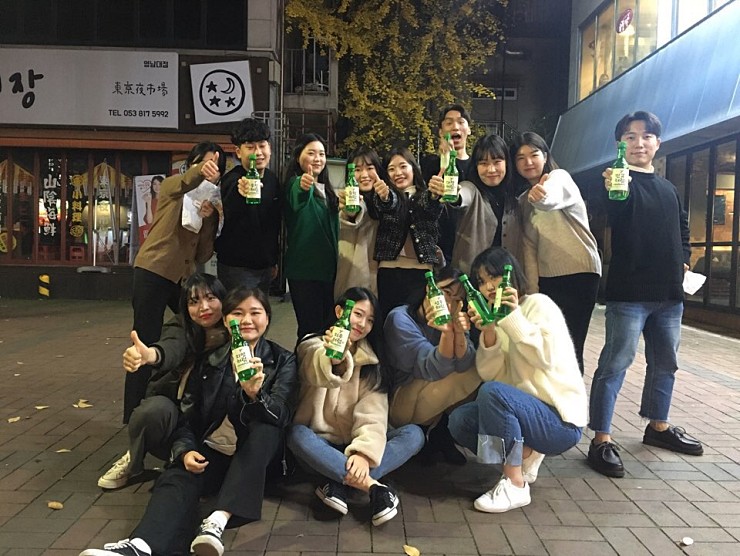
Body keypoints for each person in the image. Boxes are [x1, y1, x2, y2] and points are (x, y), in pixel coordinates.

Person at [81, 287, 299, 556]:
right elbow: (188, 417)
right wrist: (185, 451)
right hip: (217, 452)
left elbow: (281, 414)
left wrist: (255, 396)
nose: (246, 320)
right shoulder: (210, 361)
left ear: (267, 317)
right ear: (226, 320)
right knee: (178, 475)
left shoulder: (283, 359)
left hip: (257, 459)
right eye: (237, 313)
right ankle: (140, 546)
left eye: (255, 313)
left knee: (266, 429)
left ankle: (217, 521)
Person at [587, 111, 703, 479]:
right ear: (620, 144)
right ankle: (601, 439)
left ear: (657, 143)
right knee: (615, 364)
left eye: (646, 136)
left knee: (665, 363)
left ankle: (658, 426)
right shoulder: (617, 179)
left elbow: (682, 228)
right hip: (629, 294)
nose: (639, 143)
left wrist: (684, 259)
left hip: (669, 295)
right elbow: (616, 209)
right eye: (630, 137)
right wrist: (613, 185)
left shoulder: (668, 188)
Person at [448, 247, 587, 513]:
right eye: (481, 281)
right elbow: (493, 375)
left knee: (492, 394)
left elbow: (545, 358)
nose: (489, 286)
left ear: (510, 274)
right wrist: (489, 332)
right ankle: (525, 453)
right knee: (460, 420)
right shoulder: (495, 317)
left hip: (560, 419)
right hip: (527, 413)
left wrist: (511, 317)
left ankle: (515, 484)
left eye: (494, 277)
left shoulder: (539, 304)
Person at [289, 287, 424, 525]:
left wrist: (363, 454)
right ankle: (373, 487)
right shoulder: (311, 345)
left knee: (414, 434)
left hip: (356, 444)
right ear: (339, 311)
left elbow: (374, 414)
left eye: (370, 320)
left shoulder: (372, 361)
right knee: (296, 434)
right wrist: (334, 359)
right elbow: (315, 367)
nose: (362, 324)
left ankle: (336, 481)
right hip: (320, 446)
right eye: (358, 314)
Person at [98, 273, 228, 490]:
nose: (204, 307)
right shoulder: (181, 327)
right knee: (152, 410)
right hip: (176, 418)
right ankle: (134, 457)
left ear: (223, 299)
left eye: (210, 298)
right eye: (194, 302)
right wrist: (151, 355)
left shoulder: (235, 330)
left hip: (215, 423)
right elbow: (172, 347)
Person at [128, 142, 225, 424]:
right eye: (204, 163)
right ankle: (132, 413)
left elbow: (203, 254)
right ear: (191, 165)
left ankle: (176, 393)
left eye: (215, 167)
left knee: (194, 328)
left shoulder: (208, 203)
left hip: (180, 279)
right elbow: (185, 181)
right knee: (144, 339)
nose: (210, 170)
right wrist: (200, 171)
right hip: (152, 271)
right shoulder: (173, 188)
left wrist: (210, 219)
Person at [510, 132, 602, 374]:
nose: (528, 162)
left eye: (534, 155)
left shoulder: (560, 178)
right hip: (548, 280)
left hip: (580, 274)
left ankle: (574, 397)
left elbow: (551, 198)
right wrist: (532, 292)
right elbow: (529, 248)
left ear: (545, 156)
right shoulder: (522, 201)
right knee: (550, 345)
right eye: (520, 158)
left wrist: (541, 197)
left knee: (571, 345)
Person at [383, 265, 480, 461]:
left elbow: (465, 363)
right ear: (430, 287)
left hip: (431, 394)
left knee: (477, 369)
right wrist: (447, 333)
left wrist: (459, 332)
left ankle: (442, 434)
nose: (450, 302)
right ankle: (425, 434)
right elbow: (431, 369)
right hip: (398, 403)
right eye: (446, 292)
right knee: (468, 373)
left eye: (457, 299)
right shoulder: (400, 318)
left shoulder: (453, 316)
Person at [430, 133, 525, 275]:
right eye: (483, 163)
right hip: (470, 279)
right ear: (476, 166)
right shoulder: (471, 189)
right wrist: (453, 195)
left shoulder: (515, 196)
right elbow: (463, 196)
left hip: (507, 279)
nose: (491, 169)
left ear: (507, 163)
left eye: (497, 162)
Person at [374, 146, 443, 318]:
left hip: (422, 271)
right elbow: (389, 204)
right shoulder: (385, 195)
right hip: (389, 271)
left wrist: (434, 196)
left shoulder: (426, 195)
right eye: (391, 169)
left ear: (414, 168)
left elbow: (429, 205)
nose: (398, 173)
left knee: (419, 319)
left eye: (403, 166)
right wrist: (385, 197)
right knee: (388, 320)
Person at [283, 133, 339, 339]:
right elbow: (297, 195)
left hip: (329, 271)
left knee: (328, 330)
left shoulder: (327, 191)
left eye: (322, 154)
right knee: (310, 331)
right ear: (298, 156)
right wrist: (303, 184)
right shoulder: (295, 183)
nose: (318, 158)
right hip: (305, 272)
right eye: (311, 153)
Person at [215, 118, 281, 294]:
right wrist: (241, 193)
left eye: (262, 146)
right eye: (250, 147)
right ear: (238, 152)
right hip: (236, 268)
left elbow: (273, 225)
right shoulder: (232, 180)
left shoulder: (272, 180)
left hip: (265, 267)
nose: (258, 152)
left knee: (260, 311)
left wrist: (272, 261)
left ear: (269, 148)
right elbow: (229, 212)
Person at [421, 103, 474, 266]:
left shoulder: (478, 166)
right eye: (449, 123)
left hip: (471, 243)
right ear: (440, 131)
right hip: (441, 246)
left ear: (469, 129)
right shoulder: (430, 164)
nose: (455, 127)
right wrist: (445, 159)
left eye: (461, 122)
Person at [333, 146, 386, 298]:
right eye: (357, 170)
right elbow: (352, 214)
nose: (364, 175)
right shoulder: (347, 200)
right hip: (354, 280)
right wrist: (350, 210)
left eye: (370, 168)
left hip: (384, 279)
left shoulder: (388, 201)